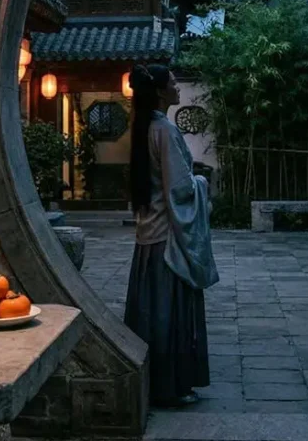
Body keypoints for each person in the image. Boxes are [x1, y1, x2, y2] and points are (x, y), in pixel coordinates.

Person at [123, 63, 220, 407]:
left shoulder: (144, 126)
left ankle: (153, 381)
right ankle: (171, 384)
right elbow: (179, 189)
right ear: (162, 91)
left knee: (150, 313)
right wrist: (202, 183)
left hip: (149, 233)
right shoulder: (163, 129)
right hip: (166, 238)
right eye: (174, 83)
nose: (178, 88)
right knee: (168, 314)